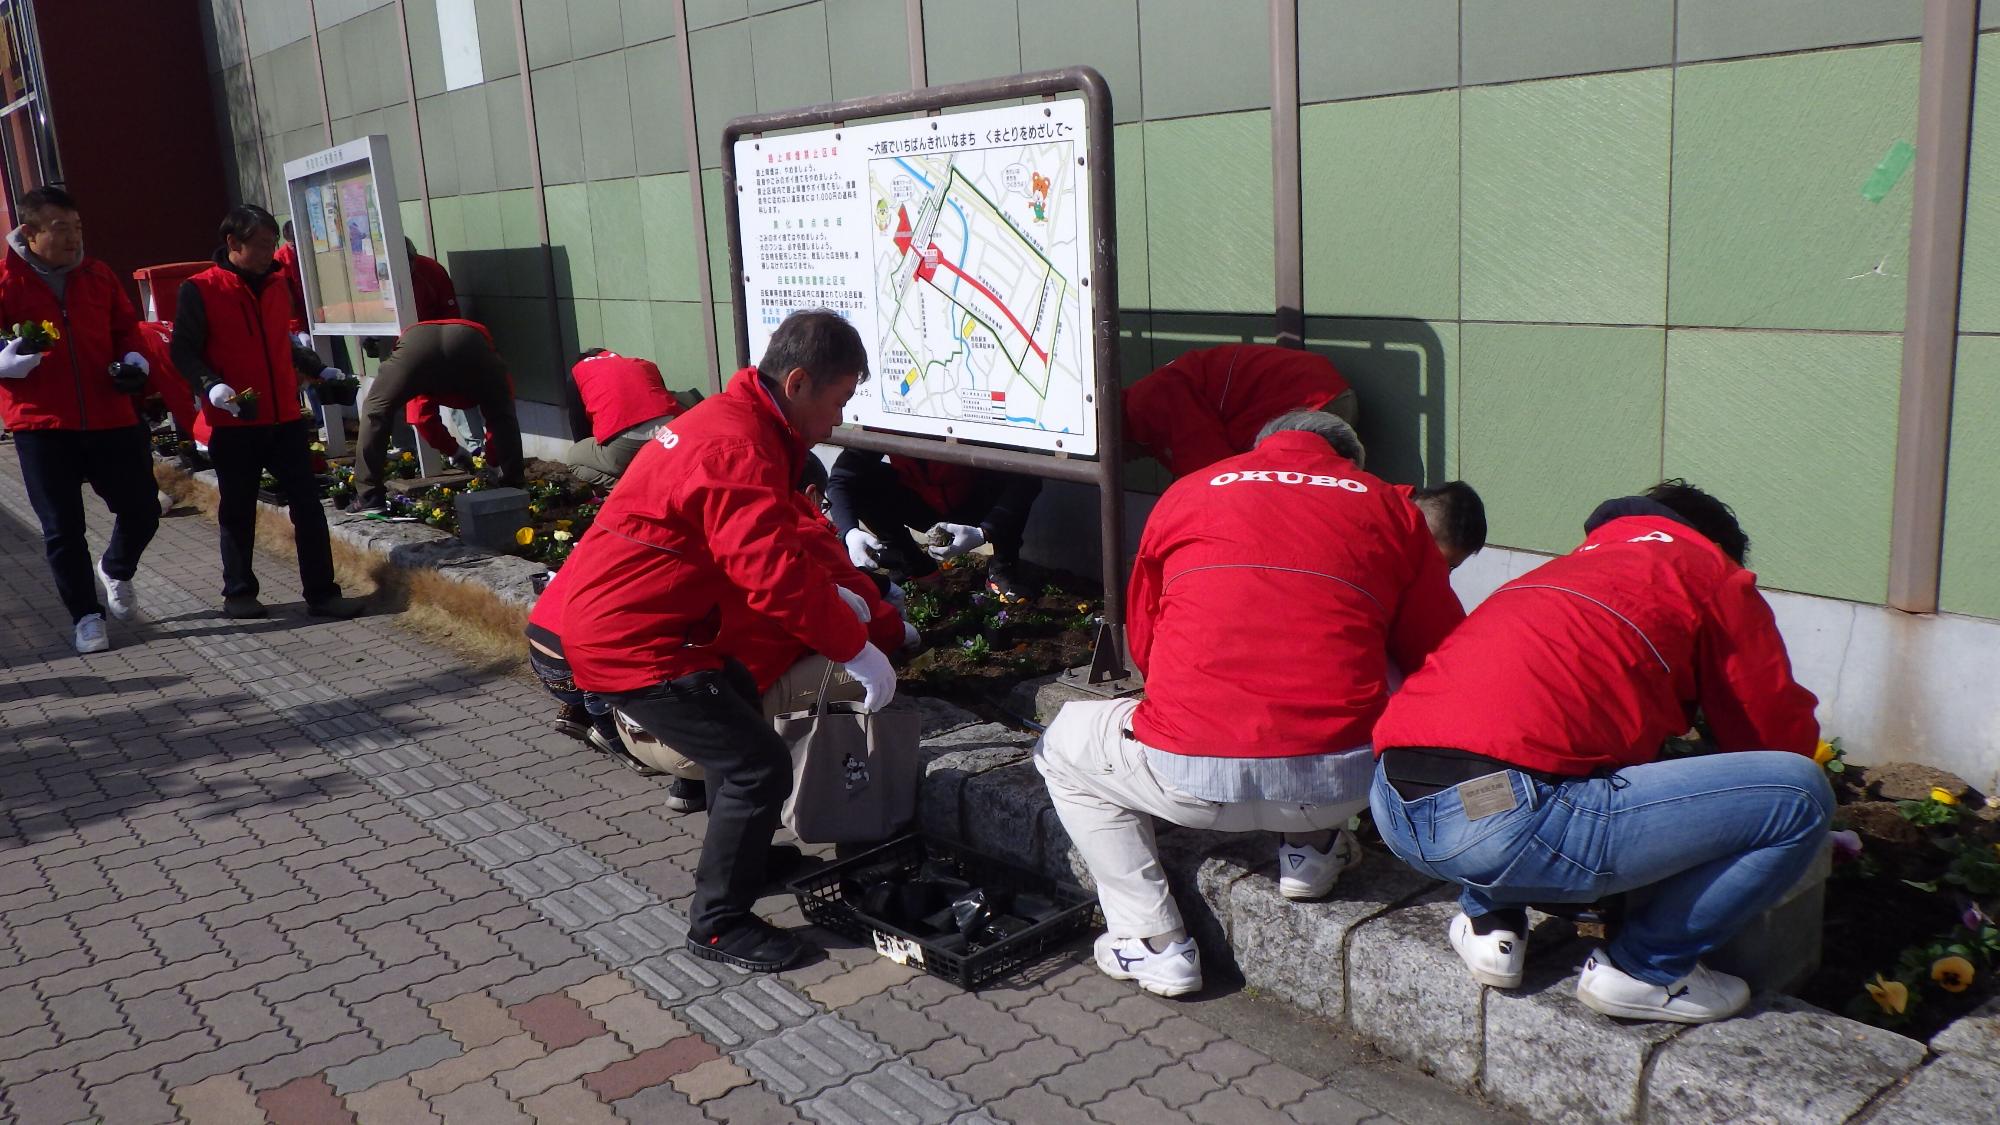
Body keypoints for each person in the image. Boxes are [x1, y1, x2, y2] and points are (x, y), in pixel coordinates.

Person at [1035, 410, 1465, 998]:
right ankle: (1312, 852)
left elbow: (1145, 637)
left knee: (1063, 746)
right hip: (1341, 782)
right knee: (1374, 649)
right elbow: (1438, 652)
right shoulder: (1385, 505)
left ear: (1261, 447)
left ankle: (1152, 942)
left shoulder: (1191, 490)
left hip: (1186, 776)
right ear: (1348, 462)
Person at [1370, 480, 1829, 1024]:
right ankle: (1646, 970)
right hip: (1509, 827)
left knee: (1523, 753)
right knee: (1801, 796)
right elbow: (1774, 738)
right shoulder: (1711, 573)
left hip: (1396, 806)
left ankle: (1489, 922)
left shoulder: (1559, 573)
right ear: (1716, 544)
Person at [560, 308, 895, 972]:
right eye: (837, 402)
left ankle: (751, 856)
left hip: (656, 623)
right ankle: (717, 923)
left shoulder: (736, 423)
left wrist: (842, 597)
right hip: (634, 639)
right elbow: (771, 574)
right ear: (798, 382)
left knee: (737, 704)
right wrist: (856, 645)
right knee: (756, 765)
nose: (836, 423)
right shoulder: (738, 445)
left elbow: (768, 554)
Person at [171, 204, 364, 620]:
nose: (268, 253)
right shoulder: (200, 289)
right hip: (235, 418)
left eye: (272, 244)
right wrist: (210, 385)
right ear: (232, 243)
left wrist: (317, 367)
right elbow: (182, 351)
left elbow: (282, 342)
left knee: (309, 506)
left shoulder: (277, 284)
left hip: (285, 418)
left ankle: (323, 593)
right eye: (260, 245)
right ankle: (239, 593)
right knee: (238, 508)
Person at [0, 185, 161, 652]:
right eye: (61, 230)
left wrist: (135, 360)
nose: (74, 239)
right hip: (42, 425)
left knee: (143, 509)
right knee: (62, 529)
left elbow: (125, 327)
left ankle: (115, 568)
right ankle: (86, 616)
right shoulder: (7, 281)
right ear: (30, 234)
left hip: (111, 415)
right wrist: (5, 362)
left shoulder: (98, 274)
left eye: (78, 229)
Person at [345, 319, 523, 511]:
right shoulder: (479, 359)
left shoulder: (418, 368)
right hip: (470, 341)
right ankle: (515, 488)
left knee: (375, 411)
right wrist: (492, 461)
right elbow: (501, 418)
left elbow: (421, 417)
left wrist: (453, 451)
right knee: (502, 414)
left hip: (418, 345)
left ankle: (369, 496)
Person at [827, 451, 1042, 599]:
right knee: (863, 480)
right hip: (924, 504)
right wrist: (849, 531)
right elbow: (840, 479)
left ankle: (1003, 569)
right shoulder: (889, 416)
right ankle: (916, 566)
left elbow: (1027, 479)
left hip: (974, 506)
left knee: (1011, 478)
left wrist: (985, 531)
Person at [1123, 343, 1355, 479]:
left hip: (1308, 403)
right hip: (1316, 393)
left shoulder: (1149, 402)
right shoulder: (1149, 401)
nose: (1129, 460)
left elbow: (1211, 472)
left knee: (1273, 497)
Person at [561, 348, 701, 486]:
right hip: (671, 434)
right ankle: (700, 444)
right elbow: (663, 397)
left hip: (626, 444)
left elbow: (578, 426)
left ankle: (627, 491)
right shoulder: (640, 363)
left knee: (574, 458)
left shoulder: (577, 373)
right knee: (685, 397)